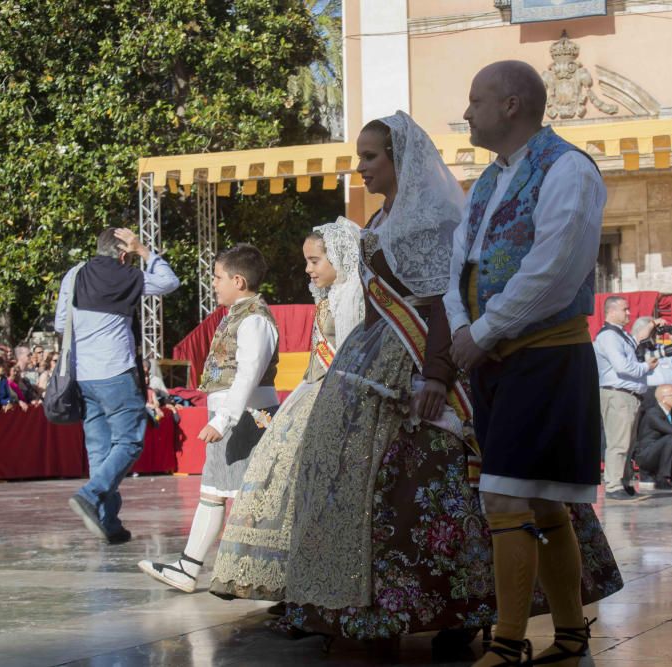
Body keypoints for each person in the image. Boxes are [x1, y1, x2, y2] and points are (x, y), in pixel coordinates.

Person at [283, 111, 494, 645]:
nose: (361, 168)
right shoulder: (379, 220)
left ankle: (458, 608)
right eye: (360, 158)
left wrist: (435, 374)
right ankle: (372, 607)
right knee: (353, 476)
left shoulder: (431, 221)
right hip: (372, 357)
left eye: (371, 157)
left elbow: (445, 304)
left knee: (423, 481)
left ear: (401, 159)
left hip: (420, 363)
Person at [445, 60, 608, 666]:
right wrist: (465, 331)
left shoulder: (569, 168)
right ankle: (569, 635)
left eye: (475, 100)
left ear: (511, 105)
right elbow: (458, 265)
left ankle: (509, 642)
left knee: (507, 496)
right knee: (540, 499)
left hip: (546, 357)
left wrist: (483, 330)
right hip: (493, 358)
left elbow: (556, 268)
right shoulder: (487, 181)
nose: (467, 113)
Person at [210, 217, 364, 603]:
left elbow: (249, 373)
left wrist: (224, 417)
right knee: (251, 487)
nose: (308, 270)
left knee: (238, 487)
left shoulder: (349, 297)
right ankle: (273, 578)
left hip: (295, 403)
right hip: (301, 397)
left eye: (315, 261)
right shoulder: (325, 296)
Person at [139, 243, 279, 591]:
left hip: (245, 416)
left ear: (238, 280)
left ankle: (267, 575)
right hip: (235, 415)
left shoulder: (254, 320)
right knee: (216, 491)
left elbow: (247, 374)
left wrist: (223, 420)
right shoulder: (239, 314)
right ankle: (190, 567)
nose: (214, 284)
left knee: (245, 497)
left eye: (217, 278)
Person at [56, 227, 179, 545]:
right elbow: (169, 282)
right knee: (129, 442)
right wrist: (146, 252)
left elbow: (60, 324)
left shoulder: (75, 274)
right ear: (124, 254)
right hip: (117, 373)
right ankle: (91, 494)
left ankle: (108, 520)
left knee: (99, 449)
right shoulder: (127, 275)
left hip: (84, 375)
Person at [594, 296, 658, 501]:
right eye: (625, 309)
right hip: (618, 394)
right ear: (611, 311)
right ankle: (613, 486)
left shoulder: (621, 336)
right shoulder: (609, 337)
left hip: (628, 396)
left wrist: (648, 332)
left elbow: (635, 348)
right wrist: (646, 367)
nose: (629, 313)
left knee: (628, 444)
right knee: (618, 443)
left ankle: (624, 483)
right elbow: (623, 366)